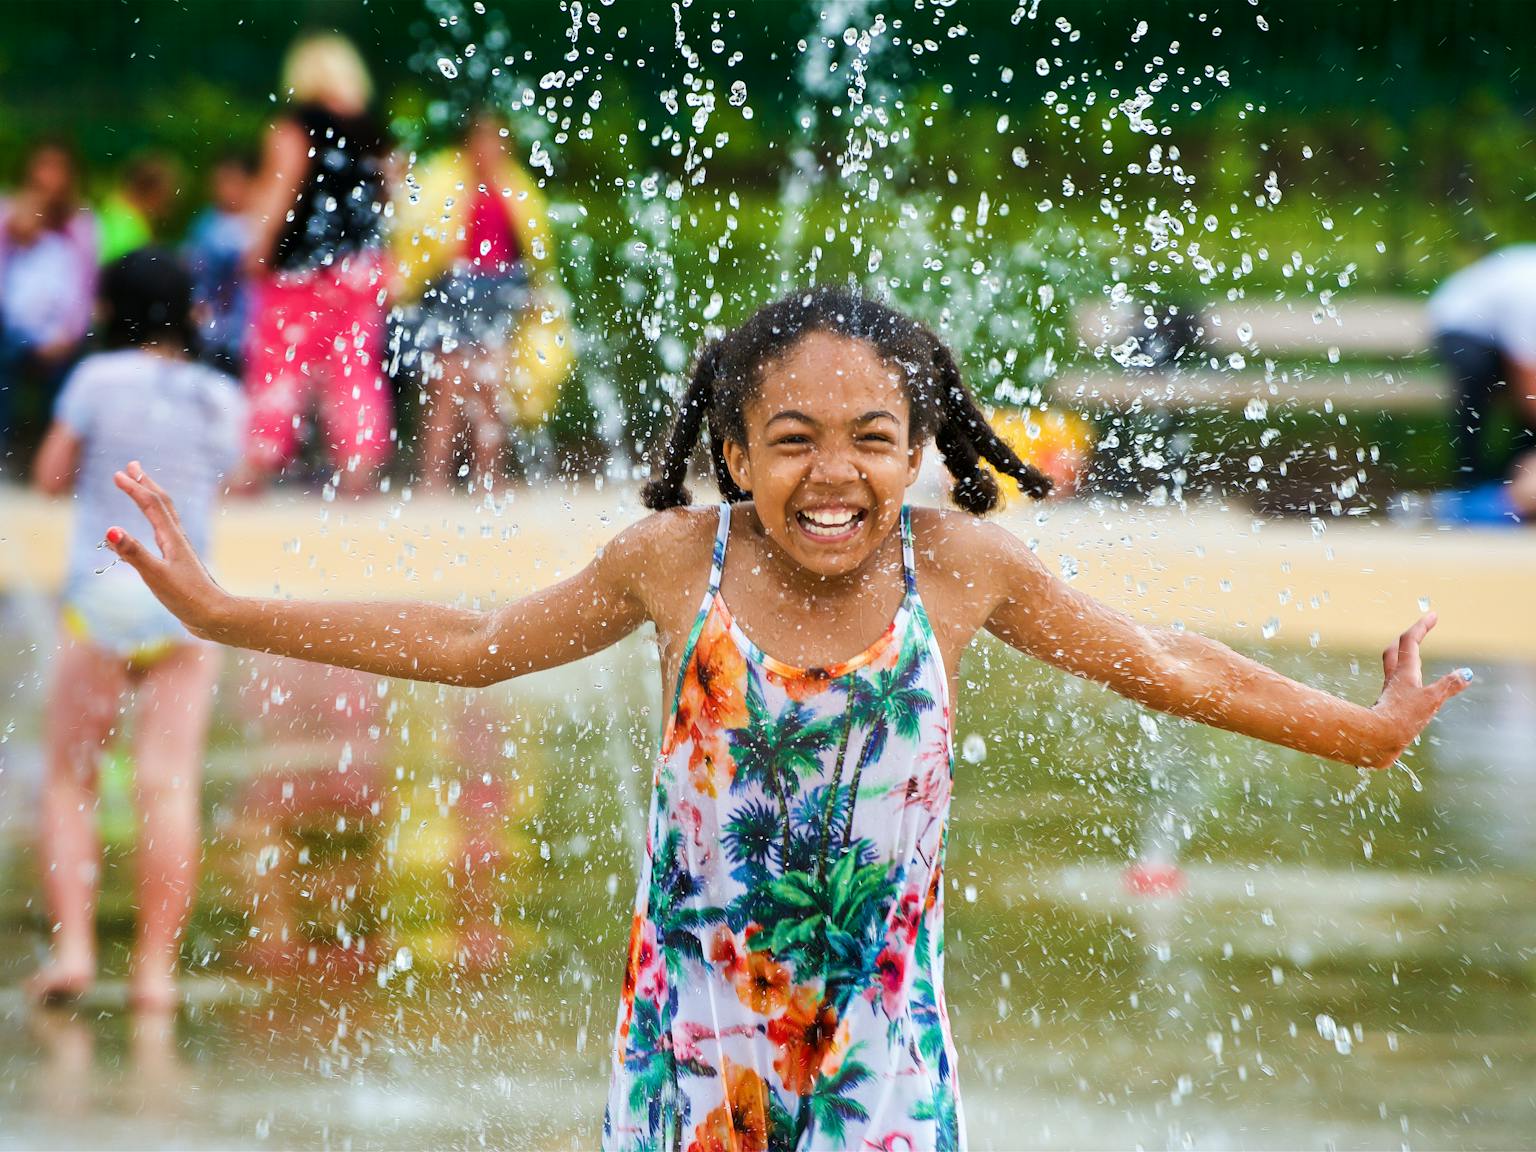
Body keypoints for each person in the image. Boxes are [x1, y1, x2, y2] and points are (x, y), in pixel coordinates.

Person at [100, 288, 1468, 1149]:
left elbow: (1165, 663)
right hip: (691, 1048)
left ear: (919, 451)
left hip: (884, 1056)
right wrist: (227, 616)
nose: (835, 471)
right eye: (793, 437)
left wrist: (1356, 728)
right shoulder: (671, 564)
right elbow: (470, 644)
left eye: (873, 436)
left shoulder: (962, 567)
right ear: (735, 451)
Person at [29, 247, 244, 1011]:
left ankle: (77, 953)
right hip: (186, 602)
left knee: (69, 780)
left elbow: (51, 475)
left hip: (102, 599)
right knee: (168, 786)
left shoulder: (93, 380)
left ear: (109, 309)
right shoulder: (219, 395)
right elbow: (238, 478)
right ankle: (156, 973)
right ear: (189, 312)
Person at [241, 32, 392, 494]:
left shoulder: (293, 126)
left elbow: (279, 192)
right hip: (361, 270)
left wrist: (257, 248)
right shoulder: (376, 131)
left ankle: (259, 463)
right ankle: (359, 466)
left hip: (300, 272)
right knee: (354, 369)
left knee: (281, 363)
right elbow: (389, 200)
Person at [389, 112, 563, 494]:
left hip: (500, 290)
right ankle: (433, 476)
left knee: (491, 383)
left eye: (497, 143)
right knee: (446, 383)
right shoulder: (444, 180)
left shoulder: (516, 187)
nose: (490, 151)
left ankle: (489, 475)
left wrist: (538, 290)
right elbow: (416, 226)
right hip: (452, 288)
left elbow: (534, 246)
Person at [0, 140, 98, 472]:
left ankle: (54, 459)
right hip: (12, 329)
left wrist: (68, 335)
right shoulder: (9, 213)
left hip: (62, 336)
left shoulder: (80, 223)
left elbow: (85, 286)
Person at [1427, 246, 1536, 522]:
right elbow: (1526, 376)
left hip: (1502, 335)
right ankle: (1472, 484)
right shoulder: (1529, 292)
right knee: (1475, 380)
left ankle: (1505, 484)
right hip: (1461, 325)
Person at [183, 152, 255, 375]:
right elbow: (193, 270)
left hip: (248, 329)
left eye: (232, 181)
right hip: (211, 330)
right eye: (220, 182)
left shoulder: (258, 224)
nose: (226, 189)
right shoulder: (205, 224)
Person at [96, 154, 179, 264]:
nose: (168, 210)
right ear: (154, 192)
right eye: (168, 199)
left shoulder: (111, 210)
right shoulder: (128, 232)